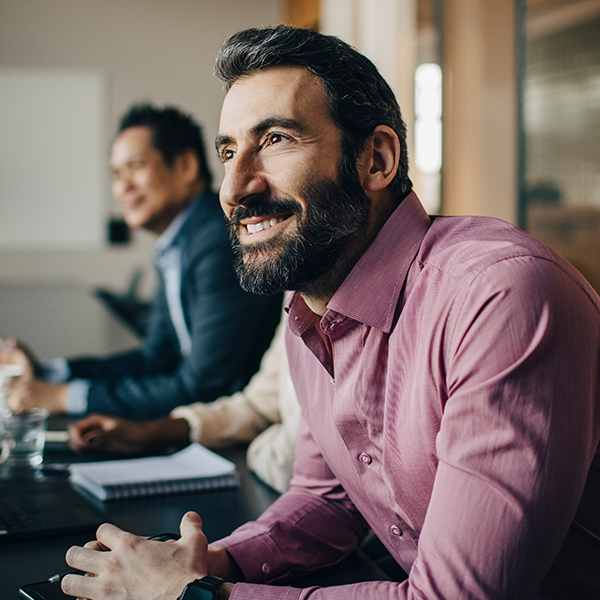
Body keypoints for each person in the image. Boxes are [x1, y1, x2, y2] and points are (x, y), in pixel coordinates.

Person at [61, 26, 600, 600]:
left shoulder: (500, 296)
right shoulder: (309, 301)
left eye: (275, 139)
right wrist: (209, 562)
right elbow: (327, 500)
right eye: (227, 151)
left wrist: (194, 596)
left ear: (376, 160)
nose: (235, 187)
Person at [0, 103, 281, 419]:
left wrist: (65, 398)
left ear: (186, 166)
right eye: (117, 174)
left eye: (135, 167)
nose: (122, 187)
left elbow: (204, 385)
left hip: (239, 429)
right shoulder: (175, 243)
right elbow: (155, 359)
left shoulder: (219, 239)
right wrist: (51, 374)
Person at [69, 314, 301, 493]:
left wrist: (256, 448)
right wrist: (148, 432)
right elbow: (258, 405)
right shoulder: (295, 293)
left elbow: (291, 464)